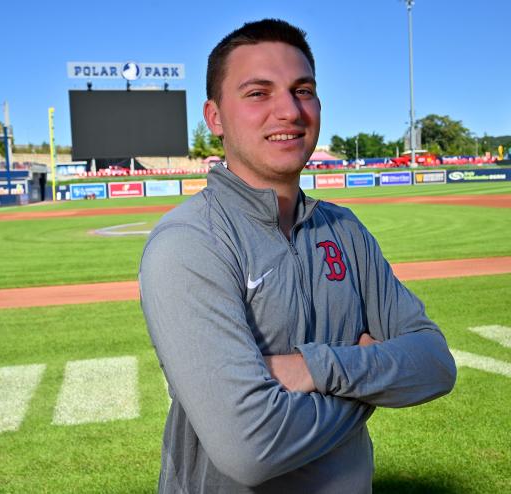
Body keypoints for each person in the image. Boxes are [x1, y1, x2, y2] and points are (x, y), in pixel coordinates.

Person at [139, 19, 456, 493]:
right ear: (215, 117)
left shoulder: (344, 229)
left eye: (302, 90)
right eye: (258, 93)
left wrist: (312, 369)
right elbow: (251, 448)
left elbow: (434, 363)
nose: (288, 110)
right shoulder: (189, 243)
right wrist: (369, 382)